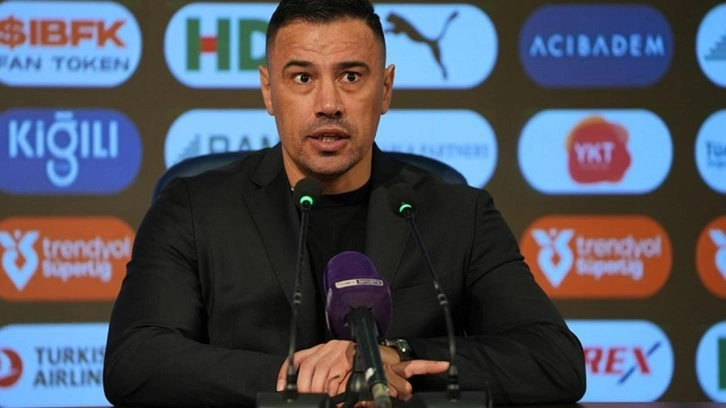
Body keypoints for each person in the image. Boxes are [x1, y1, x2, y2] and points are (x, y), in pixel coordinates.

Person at [103, 0, 586, 406]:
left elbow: (554, 359)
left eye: (351, 76)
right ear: (269, 91)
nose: (328, 103)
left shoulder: (459, 214)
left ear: (385, 90)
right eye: (302, 78)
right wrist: (297, 376)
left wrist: (391, 357)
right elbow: (134, 360)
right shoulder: (192, 208)